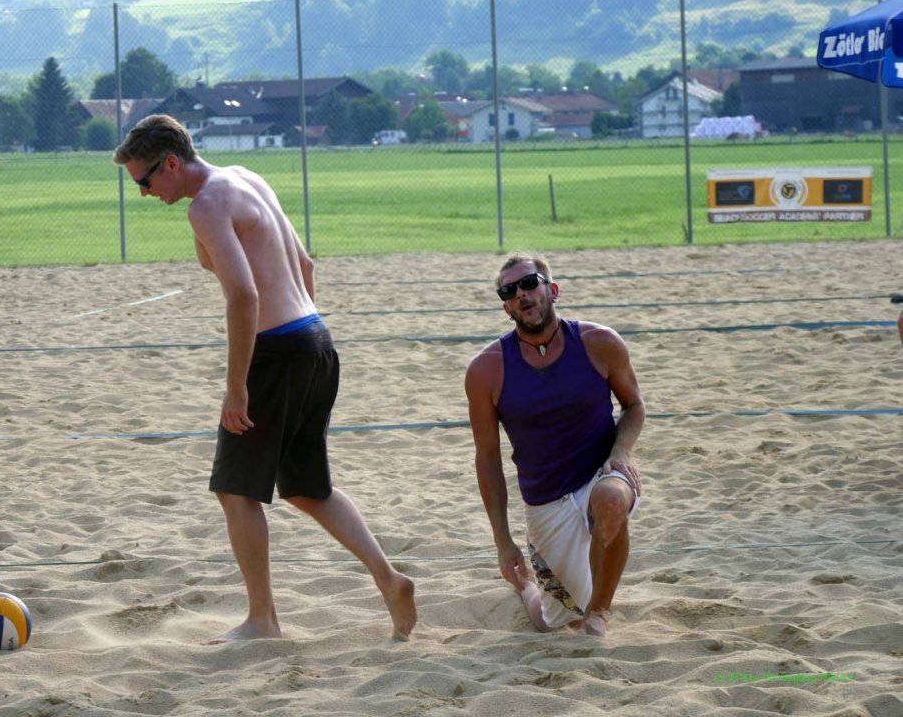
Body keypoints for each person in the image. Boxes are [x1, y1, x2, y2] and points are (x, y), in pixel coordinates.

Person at [113, 114, 416, 643]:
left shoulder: (207, 204)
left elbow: (244, 296)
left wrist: (237, 387)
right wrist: (301, 339)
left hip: (278, 351)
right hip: (315, 340)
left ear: (171, 163)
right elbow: (305, 267)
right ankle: (390, 580)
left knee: (234, 490)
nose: (143, 193)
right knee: (306, 487)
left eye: (145, 181)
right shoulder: (247, 176)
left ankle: (262, 621)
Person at [464, 252, 645, 637]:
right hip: (545, 500)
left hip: (601, 472)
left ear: (553, 290)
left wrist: (620, 452)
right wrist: (503, 542)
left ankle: (600, 612)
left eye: (529, 283)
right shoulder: (486, 369)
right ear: (505, 308)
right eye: (508, 292)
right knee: (555, 619)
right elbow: (488, 457)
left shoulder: (600, 342)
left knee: (612, 499)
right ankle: (528, 587)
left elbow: (634, 406)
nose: (521, 295)